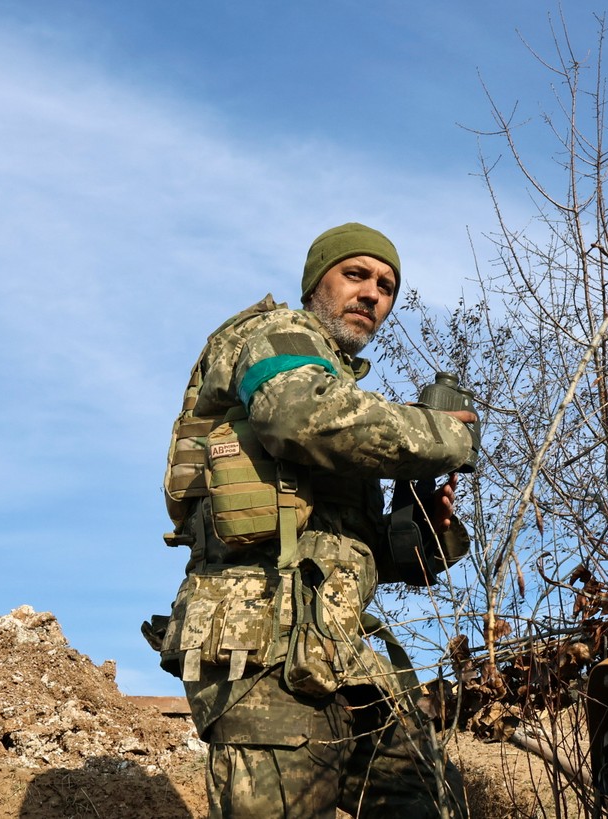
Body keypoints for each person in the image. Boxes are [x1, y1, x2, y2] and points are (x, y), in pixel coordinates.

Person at [146, 223, 477, 818]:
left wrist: (426, 526)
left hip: (341, 653)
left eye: (386, 286)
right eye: (356, 275)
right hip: (263, 653)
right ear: (315, 282)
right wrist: (441, 436)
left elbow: (363, 552)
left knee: (428, 798)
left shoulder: (341, 389)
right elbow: (296, 415)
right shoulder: (275, 335)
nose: (372, 294)